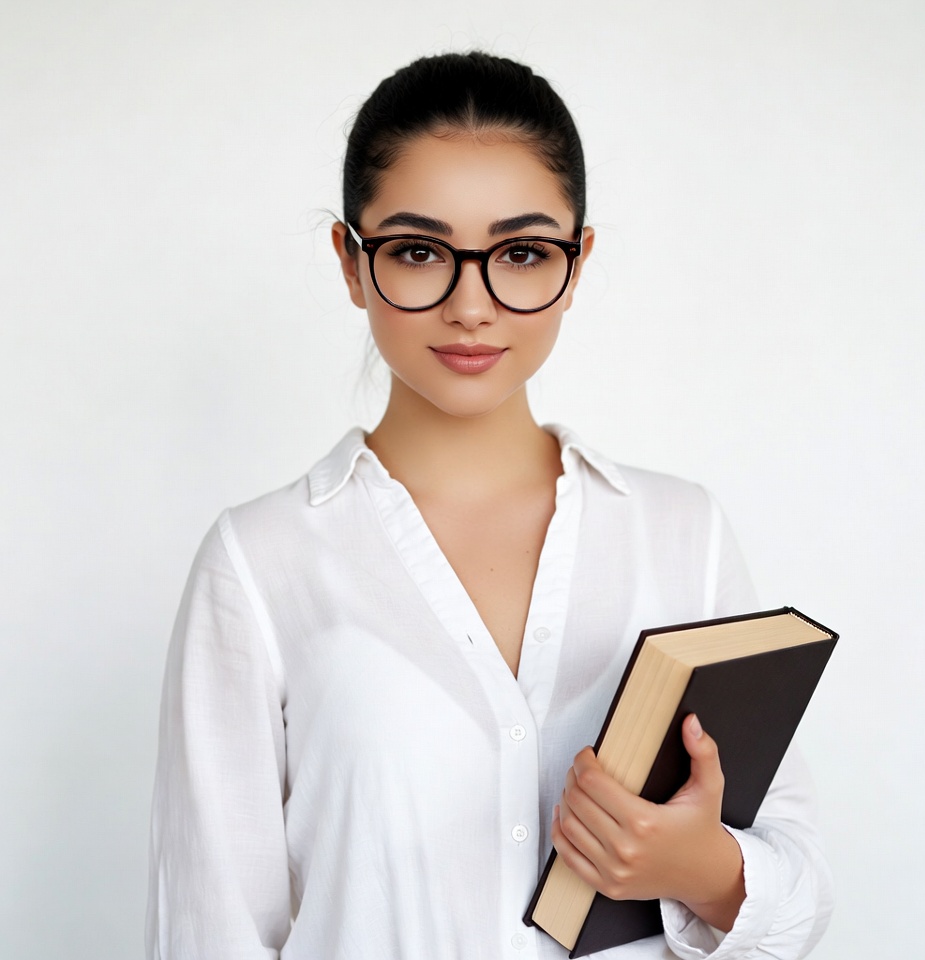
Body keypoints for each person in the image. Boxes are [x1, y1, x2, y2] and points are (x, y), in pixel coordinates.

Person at [146, 51, 833, 959]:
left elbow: (802, 894)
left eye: (520, 253)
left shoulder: (681, 533)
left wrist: (697, 867)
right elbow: (208, 931)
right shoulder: (260, 562)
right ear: (352, 264)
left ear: (577, 262)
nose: (472, 305)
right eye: (420, 251)